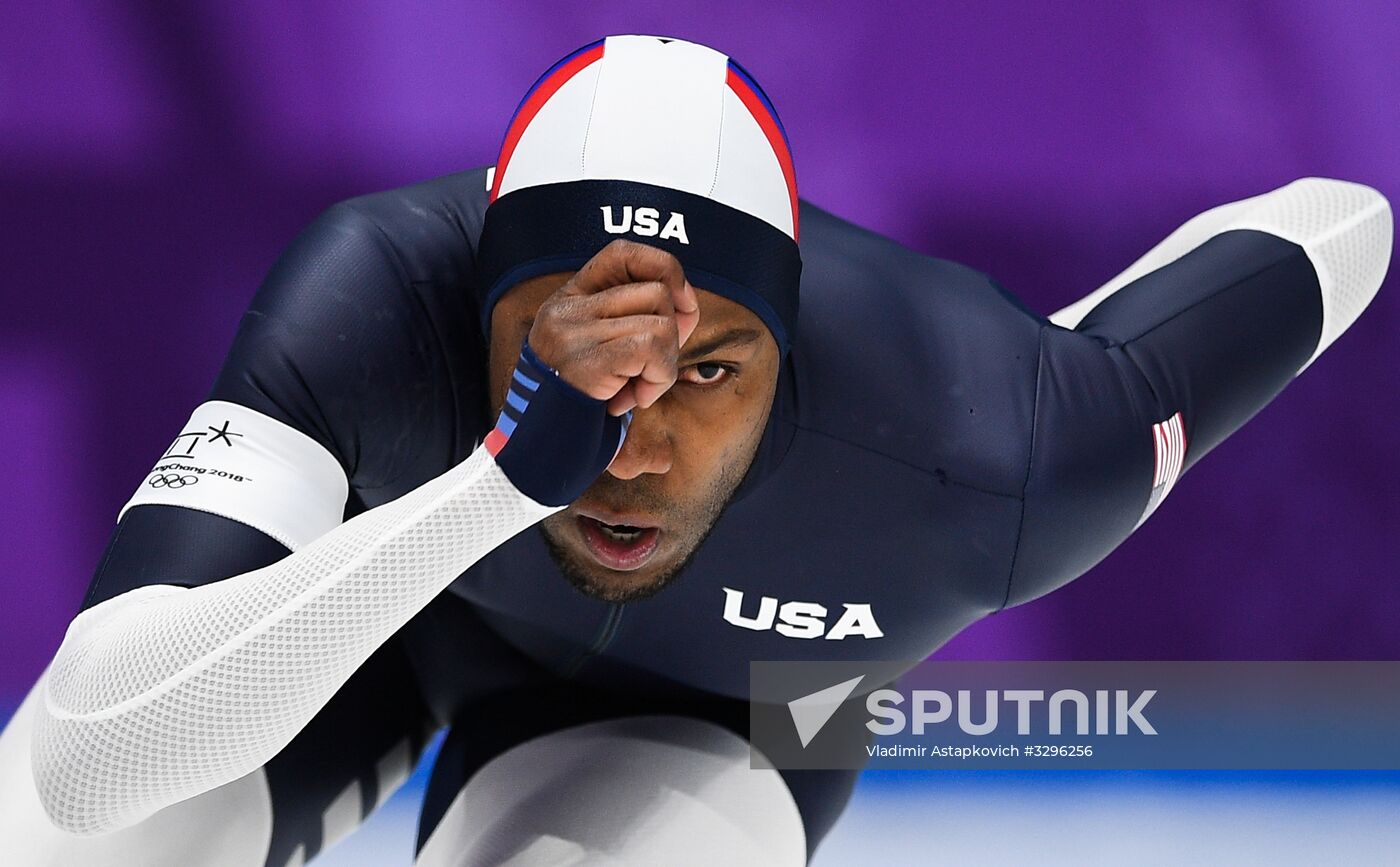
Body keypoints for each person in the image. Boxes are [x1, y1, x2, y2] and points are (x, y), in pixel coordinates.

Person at [0, 33, 1392, 867]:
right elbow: (86, 761)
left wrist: (1067, 368)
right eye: (570, 352)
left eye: (709, 367)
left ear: (796, 363)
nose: (631, 444)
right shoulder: (374, 296)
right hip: (375, 599)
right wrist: (493, 483)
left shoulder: (1000, 441)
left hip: (760, 697)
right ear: (471, 315)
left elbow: (1342, 219)